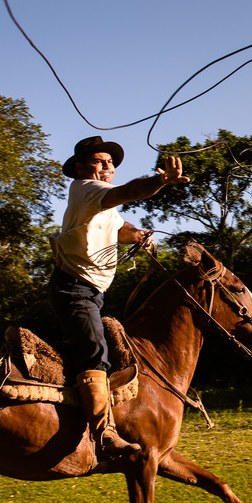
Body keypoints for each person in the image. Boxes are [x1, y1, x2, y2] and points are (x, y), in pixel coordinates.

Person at [48, 136, 189, 459]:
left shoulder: (101, 203)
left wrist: (137, 234)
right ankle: (104, 434)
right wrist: (161, 181)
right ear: (80, 167)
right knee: (95, 352)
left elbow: (118, 226)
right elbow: (129, 192)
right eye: (99, 161)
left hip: (88, 291)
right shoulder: (85, 188)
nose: (107, 166)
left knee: (97, 348)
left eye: (110, 162)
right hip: (75, 288)